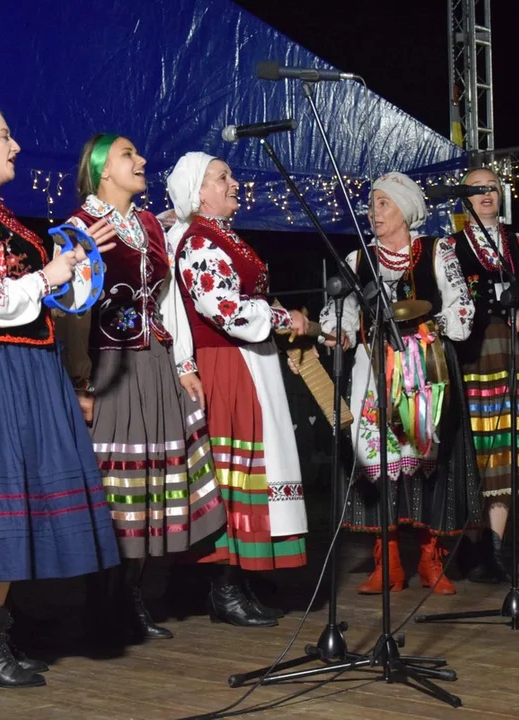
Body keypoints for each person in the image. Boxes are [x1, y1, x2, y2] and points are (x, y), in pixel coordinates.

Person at [0, 107, 121, 687]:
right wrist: (49, 276)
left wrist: (73, 258)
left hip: (21, 365)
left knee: (17, 498)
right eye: (4, 136)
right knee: (0, 505)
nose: (16, 146)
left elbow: (34, 284)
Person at [59, 134, 225, 640]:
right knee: (115, 486)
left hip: (152, 361)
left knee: (149, 483)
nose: (142, 161)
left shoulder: (150, 224)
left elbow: (168, 300)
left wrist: (182, 364)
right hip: (111, 367)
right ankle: (105, 600)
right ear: (103, 171)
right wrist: (79, 380)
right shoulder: (78, 227)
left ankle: (130, 595)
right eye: (129, 155)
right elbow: (72, 312)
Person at [317, 172, 481, 596]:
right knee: (380, 464)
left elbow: (462, 308)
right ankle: (386, 559)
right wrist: (337, 329)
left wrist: (429, 331)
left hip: (427, 370)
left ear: (406, 208)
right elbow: (341, 314)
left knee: (427, 459)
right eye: (372, 205)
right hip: (375, 372)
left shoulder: (438, 251)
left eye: (383, 204)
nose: (374, 213)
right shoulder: (358, 259)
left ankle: (430, 556)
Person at [166, 152, 310, 626]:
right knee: (236, 472)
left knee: (256, 466)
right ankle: (224, 588)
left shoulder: (222, 236)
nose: (233, 183)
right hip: (228, 362)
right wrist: (286, 318)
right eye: (221, 177)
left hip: (251, 360)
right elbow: (226, 310)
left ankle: (242, 577)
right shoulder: (198, 243)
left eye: (229, 175)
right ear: (198, 192)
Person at [448, 167, 519, 584]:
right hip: (469, 355)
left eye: (492, 189)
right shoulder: (448, 247)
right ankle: (469, 544)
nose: (485, 195)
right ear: (465, 198)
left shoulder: (518, 244)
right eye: (477, 190)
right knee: (473, 453)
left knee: (505, 451)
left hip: (511, 351)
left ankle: (494, 549)